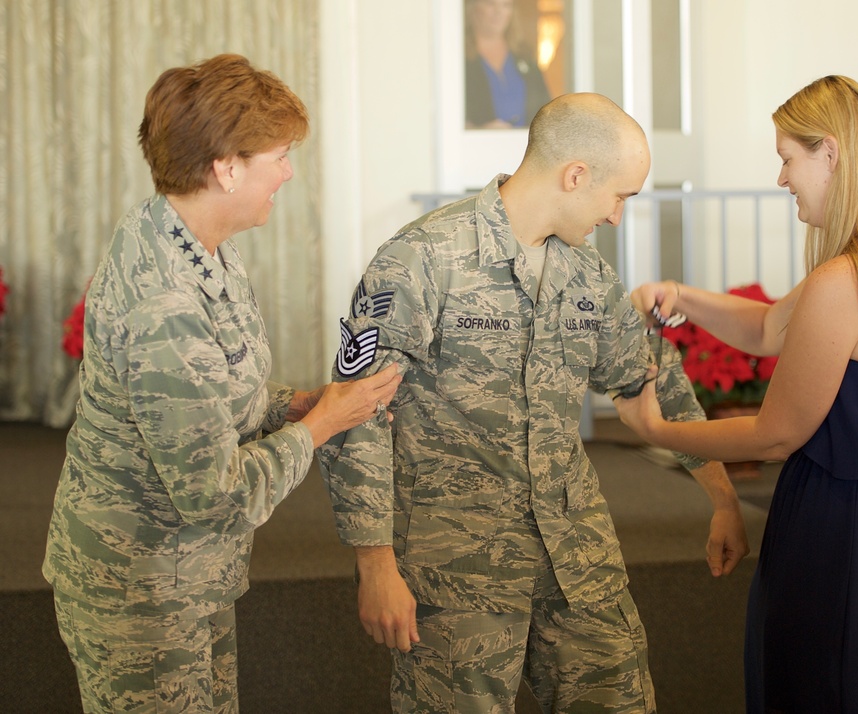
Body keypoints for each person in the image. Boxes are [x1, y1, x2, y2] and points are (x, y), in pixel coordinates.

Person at [317, 92, 748, 712]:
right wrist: (374, 564)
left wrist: (722, 498)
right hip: (458, 566)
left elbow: (651, 381)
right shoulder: (421, 260)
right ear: (576, 176)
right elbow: (356, 415)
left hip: (576, 557)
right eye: (620, 196)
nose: (617, 217)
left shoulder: (587, 275)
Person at [42, 54, 401, 714]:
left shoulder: (192, 236)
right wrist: (321, 426)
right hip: (139, 589)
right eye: (280, 154)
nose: (288, 172)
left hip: (188, 574)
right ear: (227, 167)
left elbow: (219, 393)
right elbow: (215, 498)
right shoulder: (166, 306)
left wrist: (296, 402)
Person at [615, 75, 858, 713]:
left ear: (829, 153)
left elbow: (774, 433)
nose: (781, 178)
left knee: (817, 686)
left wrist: (657, 430)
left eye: (787, 159)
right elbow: (769, 327)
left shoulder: (843, 277)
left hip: (836, 528)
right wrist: (682, 296)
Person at [465, 0, 551, 129]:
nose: (498, 12)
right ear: (473, 8)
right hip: (477, 145)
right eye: (490, 4)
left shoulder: (524, 56)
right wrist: (478, 130)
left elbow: (546, 110)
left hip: (525, 145)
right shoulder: (460, 59)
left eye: (506, 5)